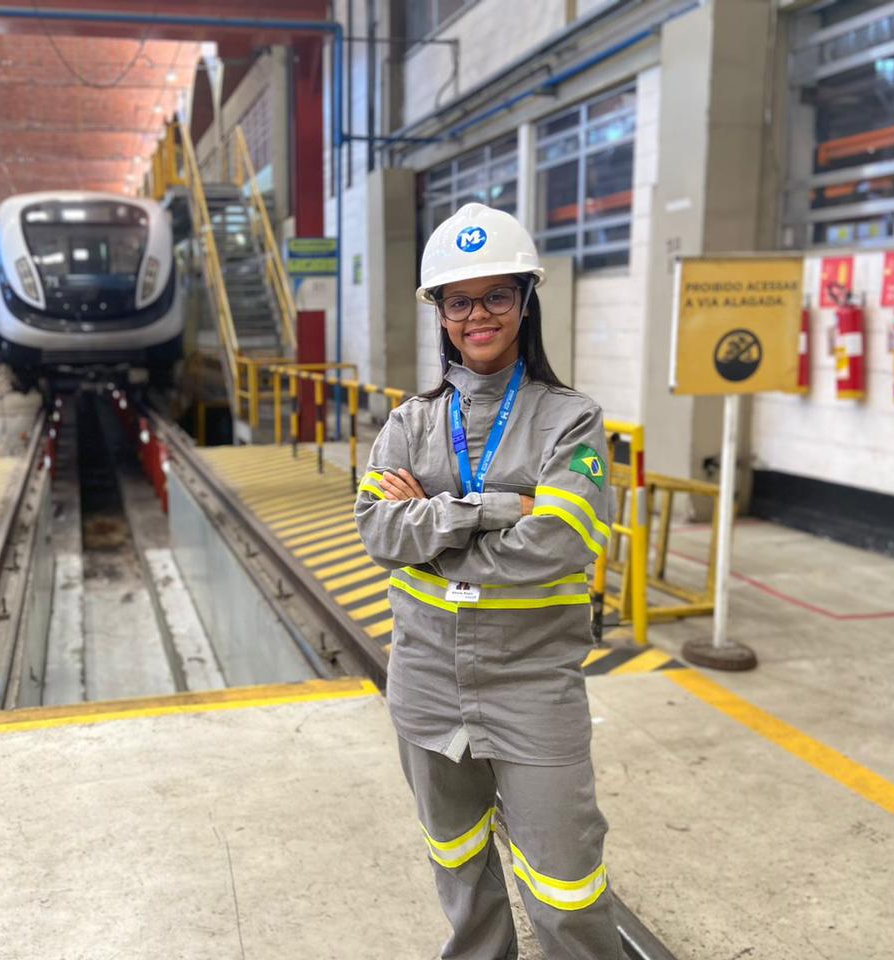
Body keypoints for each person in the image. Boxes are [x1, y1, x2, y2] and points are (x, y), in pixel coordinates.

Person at [355, 203, 622, 959]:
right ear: (439, 314)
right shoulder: (408, 424)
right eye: (459, 299)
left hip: (532, 680)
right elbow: (377, 528)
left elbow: (561, 542)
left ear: (524, 301)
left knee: (565, 880)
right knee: (459, 862)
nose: (479, 314)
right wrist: (499, 506)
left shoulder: (570, 421)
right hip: (427, 679)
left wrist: (433, 525)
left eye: (496, 295)